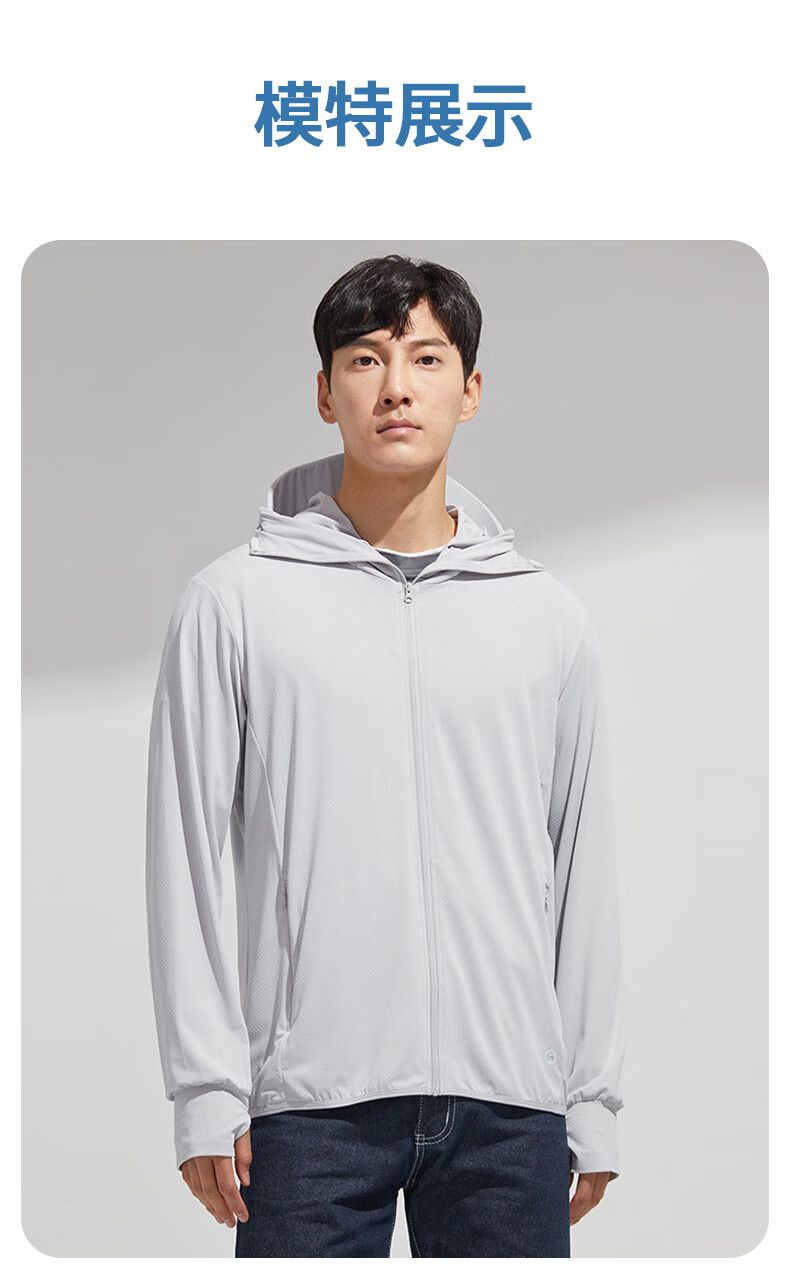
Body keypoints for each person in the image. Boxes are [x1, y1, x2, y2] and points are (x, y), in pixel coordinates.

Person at [145, 253, 626, 1257]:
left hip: (511, 1109)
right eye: (365, 359)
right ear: (325, 394)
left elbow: (581, 865)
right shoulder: (235, 603)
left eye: (426, 358)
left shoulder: (546, 617)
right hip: (308, 1111)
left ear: (470, 389)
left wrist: (589, 1094)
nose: (396, 386)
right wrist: (205, 1089)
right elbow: (183, 856)